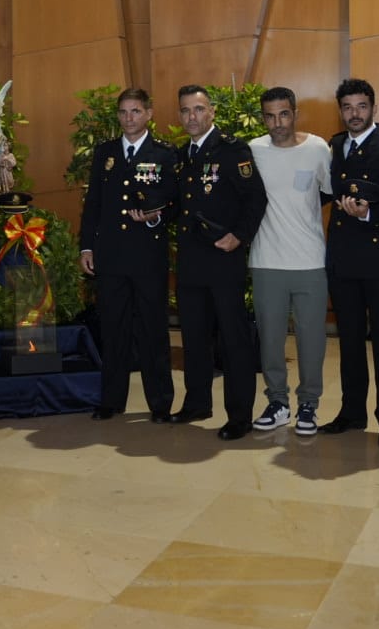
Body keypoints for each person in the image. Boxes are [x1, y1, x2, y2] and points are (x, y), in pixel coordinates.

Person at [172, 85, 268, 440]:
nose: (191, 117)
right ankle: (197, 402)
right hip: (191, 261)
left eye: (198, 109)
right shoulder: (182, 154)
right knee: (194, 337)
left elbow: (255, 198)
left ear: (211, 112)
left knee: (233, 340)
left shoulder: (231, 150)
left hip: (223, 259)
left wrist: (239, 236)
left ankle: (239, 415)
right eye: (185, 111)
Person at [78, 87, 179, 422]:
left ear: (149, 114)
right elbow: (93, 204)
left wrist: (155, 217)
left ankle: (160, 403)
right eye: (123, 112)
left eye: (135, 111)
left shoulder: (164, 153)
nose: (129, 118)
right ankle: (112, 399)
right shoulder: (105, 152)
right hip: (111, 258)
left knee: (153, 331)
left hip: (147, 257)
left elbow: (175, 203)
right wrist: (86, 247)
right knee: (113, 329)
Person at [324, 78, 379, 446]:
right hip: (344, 260)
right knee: (348, 342)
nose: (354, 114)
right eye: (347, 107)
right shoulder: (335, 145)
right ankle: (352, 412)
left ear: (374, 108)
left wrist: (368, 215)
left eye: (361, 106)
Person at [247, 88, 332, 435]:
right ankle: (278, 402)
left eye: (283, 114)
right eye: (269, 115)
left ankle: (309, 404)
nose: (277, 123)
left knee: (313, 340)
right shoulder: (252, 150)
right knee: (269, 339)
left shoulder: (318, 148)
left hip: (310, 260)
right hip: (267, 261)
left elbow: (329, 191)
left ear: (295, 113)